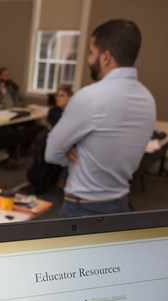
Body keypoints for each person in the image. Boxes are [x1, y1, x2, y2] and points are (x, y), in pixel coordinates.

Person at [46, 19, 156, 217]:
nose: (89, 59)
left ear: (106, 57)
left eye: (91, 52)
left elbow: (51, 153)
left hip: (82, 208)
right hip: (120, 205)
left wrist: (70, 152)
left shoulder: (91, 96)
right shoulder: (148, 98)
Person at [26, 84, 73, 194]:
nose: (57, 98)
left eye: (62, 96)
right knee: (42, 138)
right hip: (57, 142)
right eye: (57, 96)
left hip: (69, 143)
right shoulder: (53, 111)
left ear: (70, 98)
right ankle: (43, 174)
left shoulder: (73, 112)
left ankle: (61, 177)